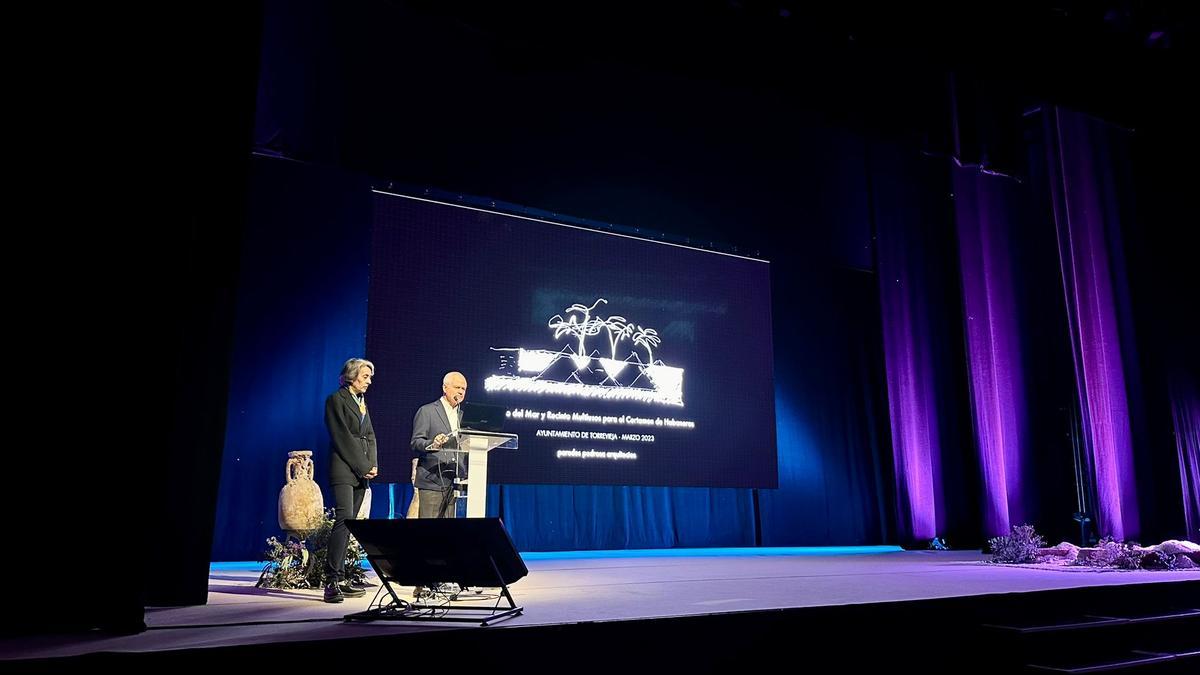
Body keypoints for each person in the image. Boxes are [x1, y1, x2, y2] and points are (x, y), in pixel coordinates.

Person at [322, 358, 378, 603]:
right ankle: (331, 579)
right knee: (343, 520)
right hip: (345, 468)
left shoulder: (362, 402)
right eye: (365, 377)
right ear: (352, 376)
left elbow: (370, 436)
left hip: (361, 469)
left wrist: (373, 465)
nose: (368, 381)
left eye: (369, 377)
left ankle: (343, 577)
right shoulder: (336, 399)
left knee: (352, 523)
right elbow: (342, 436)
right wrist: (363, 465)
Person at [410, 371, 467, 518]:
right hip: (432, 480)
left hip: (454, 482)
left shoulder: (463, 416)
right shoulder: (427, 411)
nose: (461, 392)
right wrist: (433, 444)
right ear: (445, 388)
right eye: (457, 387)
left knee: (447, 535)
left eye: (463, 389)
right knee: (429, 534)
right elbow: (416, 442)